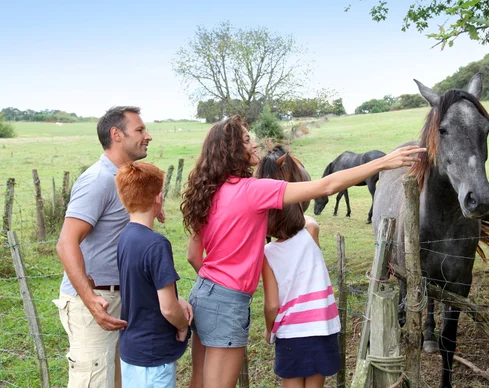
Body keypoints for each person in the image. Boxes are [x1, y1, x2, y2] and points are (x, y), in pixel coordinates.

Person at [182, 115, 425, 388]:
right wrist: (383, 162)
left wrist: (215, 287)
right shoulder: (252, 191)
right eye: (247, 140)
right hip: (227, 302)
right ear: (232, 150)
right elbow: (326, 186)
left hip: (202, 294)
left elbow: (193, 257)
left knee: (198, 381)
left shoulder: (206, 192)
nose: (254, 145)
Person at [54, 106, 155, 388]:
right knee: (95, 381)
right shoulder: (98, 180)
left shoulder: (128, 180)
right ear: (116, 135)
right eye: (140, 130)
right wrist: (91, 302)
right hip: (97, 301)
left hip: (123, 298)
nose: (148, 136)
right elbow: (66, 243)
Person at [259, 152, 341, 388]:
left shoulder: (267, 254)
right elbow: (306, 219)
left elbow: (272, 304)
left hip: (290, 334)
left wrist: (268, 330)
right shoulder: (311, 230)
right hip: (321, 328)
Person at [115, 162, 193, 388]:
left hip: (131, 349)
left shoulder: (125, 237)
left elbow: (142, 284)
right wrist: (181, 326)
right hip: (153, 355)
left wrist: (178, 299)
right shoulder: (156, 244)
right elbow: (168, 308)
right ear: (158, 198)